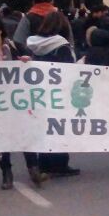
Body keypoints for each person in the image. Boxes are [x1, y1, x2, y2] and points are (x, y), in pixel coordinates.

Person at [0, 15, 47, 189]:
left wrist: (26, 61)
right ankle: (7, 173)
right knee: (3, 137)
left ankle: (33, 169)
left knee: (25, 133)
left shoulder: (12, 46)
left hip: (18, 100)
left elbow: (30, 58)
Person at [26, 11, 82, 177]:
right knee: (59, 127)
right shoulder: (62, 46)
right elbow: (68, 70)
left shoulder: (34, 45)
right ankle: (60, 163)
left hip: (40, 93)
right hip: (59, 93)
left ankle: (44, 163)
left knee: (44, 128)